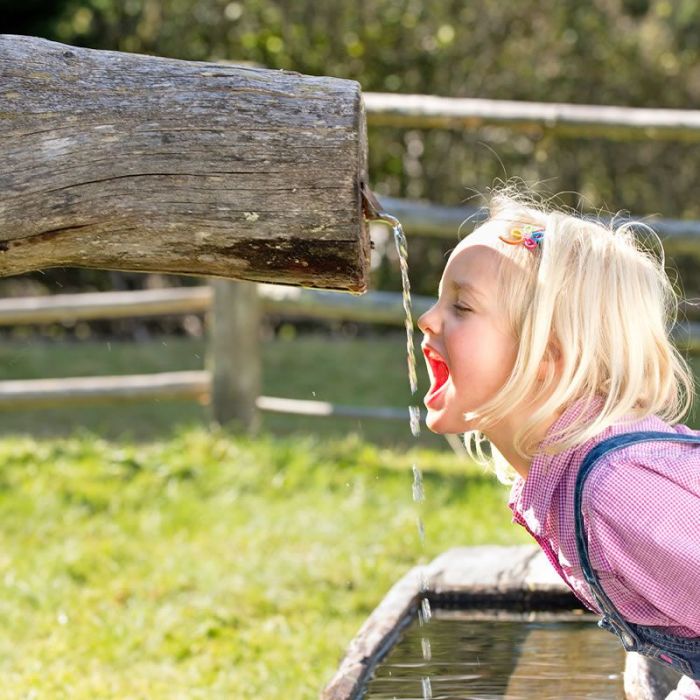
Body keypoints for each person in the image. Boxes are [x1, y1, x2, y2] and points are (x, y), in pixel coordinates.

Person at [417, 188, 700, 700]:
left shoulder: (615, 495)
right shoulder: (572, 478)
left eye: (461, 306)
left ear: (547, 354)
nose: (428, 318)